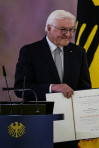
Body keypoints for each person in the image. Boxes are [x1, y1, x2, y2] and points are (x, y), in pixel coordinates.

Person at [14, 10, 91, 148]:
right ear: (49, 28)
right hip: (38, 126)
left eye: (71, 30)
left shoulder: (79, 52)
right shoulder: (29, 52)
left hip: (69, 129)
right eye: (63, 30)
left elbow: (85, 90)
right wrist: (52, 87)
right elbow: (20, 89)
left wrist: (85, 126)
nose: (68, 34)